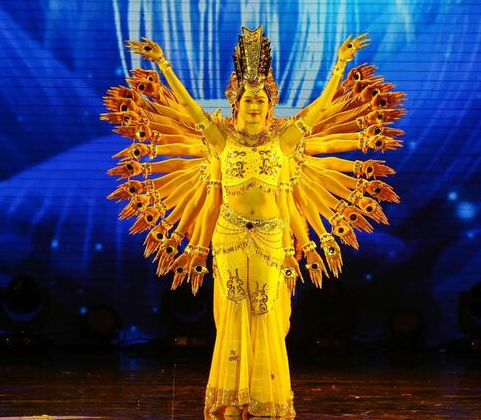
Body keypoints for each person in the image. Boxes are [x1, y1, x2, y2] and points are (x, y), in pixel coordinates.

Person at [104, 26, 404, 418]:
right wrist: (162, 64)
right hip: (228, 236)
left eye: (261, 99)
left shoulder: (284, 141)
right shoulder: (219, 139)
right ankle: (231, 400)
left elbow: (319, 110)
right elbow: (189, 106)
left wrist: (340, 65)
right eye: (248, 98)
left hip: (269, 237)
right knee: (231, 314)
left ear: (270, 104)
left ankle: (265, 399)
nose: (254, 104)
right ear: (236, 101)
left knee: (264, 313)